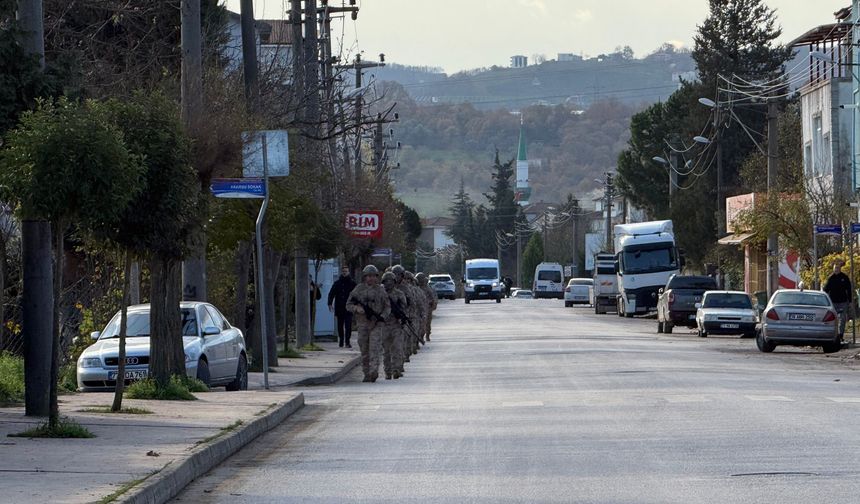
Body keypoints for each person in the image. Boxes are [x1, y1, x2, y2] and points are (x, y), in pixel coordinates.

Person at [346, 265, 390, 382]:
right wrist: (356, 308)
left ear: (376, 277)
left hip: (376, 324)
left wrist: (382, 317)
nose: (370, 278)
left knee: (374, 349)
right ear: (365, 277)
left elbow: (387, 307)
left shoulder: (381, 290)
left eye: (373, 276)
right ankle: (366, 373)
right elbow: (348, 305)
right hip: (362, 325)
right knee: (364, 350)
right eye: (368, 276)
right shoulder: (358, 289)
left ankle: (374, 371)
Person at [381, 272, 407, 379]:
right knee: (386, 350)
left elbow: (404, 307)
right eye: (386, 281)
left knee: (397, 348)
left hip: (396, 324)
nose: (388, 283)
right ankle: (387, 371)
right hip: (384, 325)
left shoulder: (399, 294)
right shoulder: (380, 294)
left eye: (391, 281)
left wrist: (401, 317)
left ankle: (396, 369)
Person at [328, 266, 357, 348]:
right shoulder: (337, 283)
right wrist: (330, 303)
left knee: (348, 326)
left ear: (348, 272)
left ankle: (347, 342)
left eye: (346, 271)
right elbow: (331, 293)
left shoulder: (352, 283)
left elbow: (357, 294)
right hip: (339, 308)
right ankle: (341, 340)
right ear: (341, 272)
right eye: (343, 271)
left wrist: (356, 304)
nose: (345, 273)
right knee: (340, 326)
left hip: (349, 308)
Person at [823, 261, 853, 338]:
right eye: (835, 268)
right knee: (833, 320)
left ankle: (841, 335)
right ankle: (834, 334)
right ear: (833, 269)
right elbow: (825, 290)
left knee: (842, 319)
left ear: (840, 269)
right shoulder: (830, 278)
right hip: (833, 302)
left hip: (843, 302)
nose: (836, 269)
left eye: (838, 268)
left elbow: (849, 290)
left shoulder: (844, 277)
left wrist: (850, 301)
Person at [416, 272, 438, 342]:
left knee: (427, 323)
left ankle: (427, 335)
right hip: (418, 309)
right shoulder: (416, 289)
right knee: (420, 324)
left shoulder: (428, 288)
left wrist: (432, 305)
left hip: (427, 308)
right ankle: (420, 336)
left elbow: (433, 298)